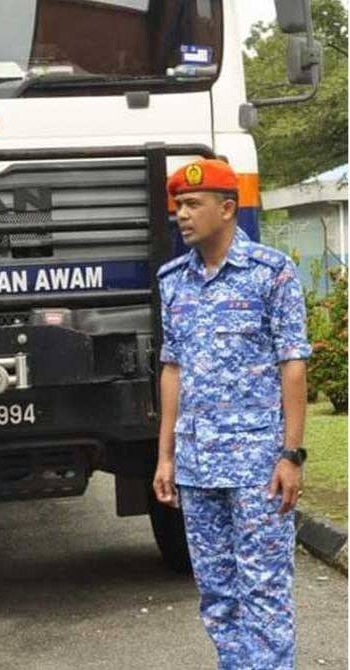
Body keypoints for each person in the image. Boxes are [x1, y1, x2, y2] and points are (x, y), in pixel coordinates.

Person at [153, 159, 311, 670]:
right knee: (218, 597)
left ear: (227, 209)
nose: (182, 214)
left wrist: (291, 454)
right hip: (198, 466)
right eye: (178, 205)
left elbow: (293, 366)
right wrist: (165, 457)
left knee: (263, 593)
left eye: (193, 204)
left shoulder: (273, 272)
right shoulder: (172, 281)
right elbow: (171, 369)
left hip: (258, 468)